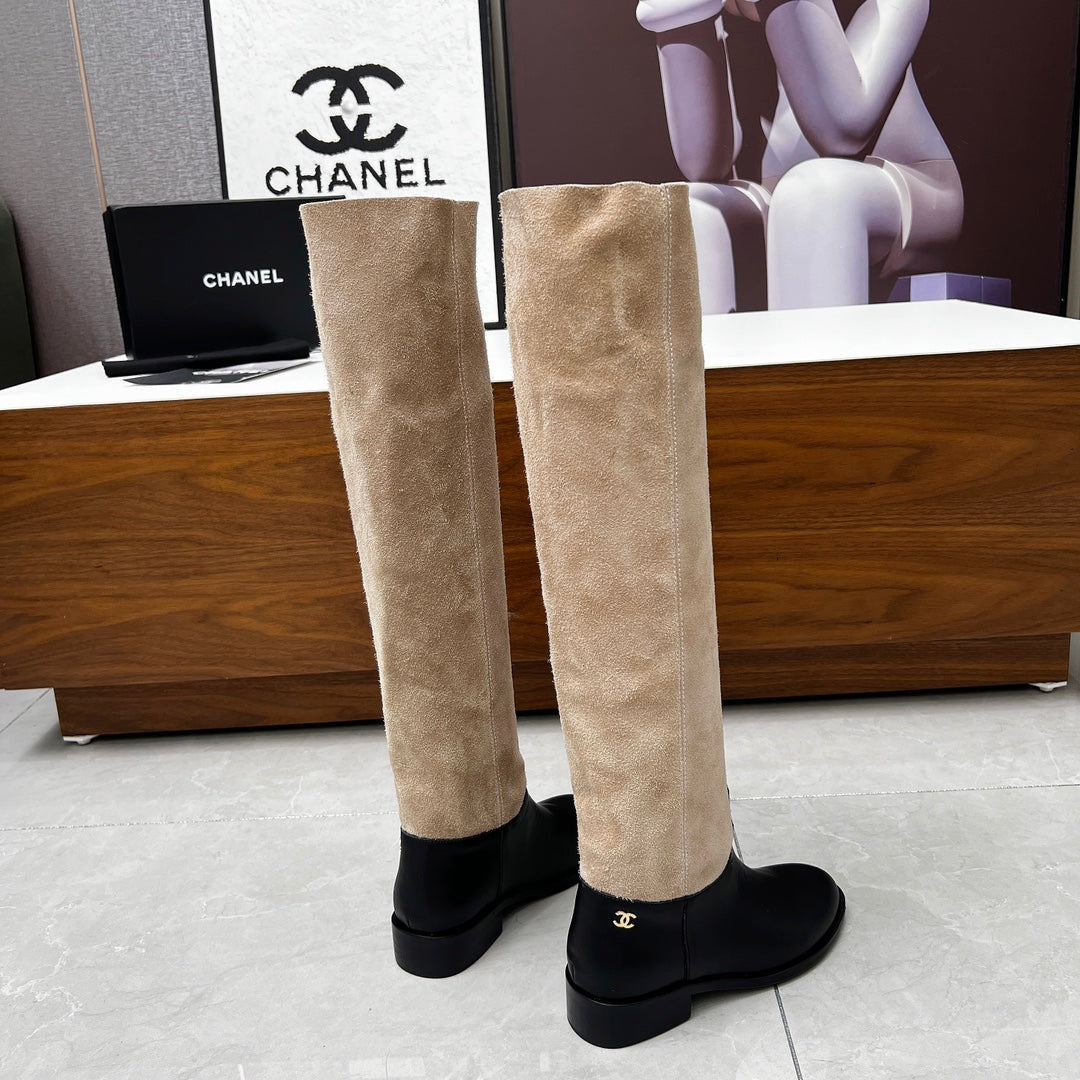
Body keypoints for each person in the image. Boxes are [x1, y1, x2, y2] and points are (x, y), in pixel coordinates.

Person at [301, 183, 844, 1048]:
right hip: (656, 914)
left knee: (387, 296)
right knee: (596, 257)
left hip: (441, 855)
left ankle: (453, 842)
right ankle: (654, 894)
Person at [638, 0, 964, 311]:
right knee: (692, 212)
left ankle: (811, 354)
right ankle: (712, 355)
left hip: (911, 186)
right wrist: (681, 17)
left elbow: (844, 130)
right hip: (784, 193)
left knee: (817, 195)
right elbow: (702, 162)